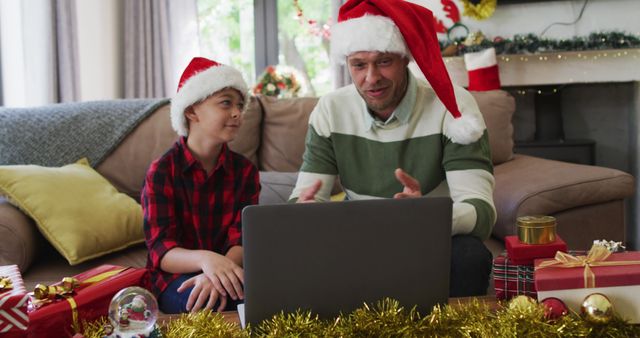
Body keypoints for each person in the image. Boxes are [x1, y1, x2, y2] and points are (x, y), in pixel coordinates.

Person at [289, 0, 495, 297]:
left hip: (429, 236)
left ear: (405, 58)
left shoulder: (454, 106)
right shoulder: (331, 110)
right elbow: (304, 197)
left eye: (384, 62)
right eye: (359, 65)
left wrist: (424, 217)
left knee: (469, 256)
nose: (371, 78)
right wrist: (304, 214)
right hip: (356, 237)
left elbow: (481, 211)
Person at [141, 57, 260, 313]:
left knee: (263, 302)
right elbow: (162, 251)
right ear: (191, 111)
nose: (238, 112)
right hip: (177, 277)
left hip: (230, 270)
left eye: (240, 105)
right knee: (203, 304)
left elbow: (241, 238)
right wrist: (207, 261)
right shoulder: (162, 171)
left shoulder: (245, 171)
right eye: (226, 103)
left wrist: (219, 272)